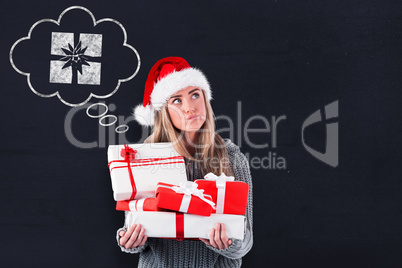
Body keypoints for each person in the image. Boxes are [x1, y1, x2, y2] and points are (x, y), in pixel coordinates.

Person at [116, 57, 253, 267]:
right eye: (177, 100)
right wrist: (130, 241)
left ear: (205, 99)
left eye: (195, 95)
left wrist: (226, 244)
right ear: (165, 112)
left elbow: (245, 241)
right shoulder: (145, 157)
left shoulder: (233, 158)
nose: (190, 108)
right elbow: (134, 227)